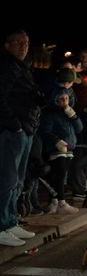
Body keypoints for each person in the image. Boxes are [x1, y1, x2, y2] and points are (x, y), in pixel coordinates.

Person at [0, 29, 42, 246]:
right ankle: (2, 225)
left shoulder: (21, 67)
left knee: (16, 179)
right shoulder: (7, 66)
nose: (23, 47)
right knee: (7, 179)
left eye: (26, 43)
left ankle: (9, 221)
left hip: (25, 129)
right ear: (7, 45)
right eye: (18, 43)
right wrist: (14, 125)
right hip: (13, 131)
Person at [39, 91, 81, 215]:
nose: (65, 101)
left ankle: (54, 201)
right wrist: (56, 141)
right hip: (57, 148)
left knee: (62, 175)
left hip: (69, 148)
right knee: (59, 174)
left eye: (67, 98)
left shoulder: (69, 112)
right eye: (61, 98)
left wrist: (71, 114)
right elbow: (45, 131)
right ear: (56, 100)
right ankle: (61, 202)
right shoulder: (51, 114)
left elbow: (79, 128)